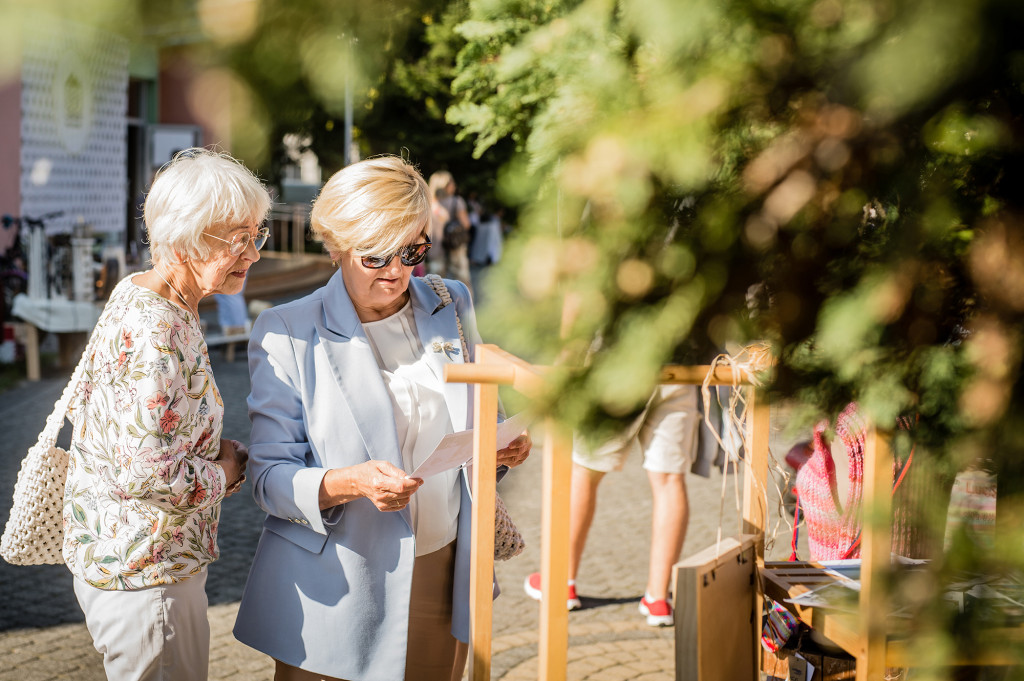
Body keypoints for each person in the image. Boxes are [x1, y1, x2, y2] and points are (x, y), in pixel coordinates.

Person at [232, 156, 532, 681]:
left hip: (443, 566)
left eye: (412, 250)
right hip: (335, 584)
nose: (397, 271)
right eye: (376, 256)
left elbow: (476, 418)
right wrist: (351, 482)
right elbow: (268, 478)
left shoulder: (449, 301)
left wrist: (498, 451)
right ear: (337, 247)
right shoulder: (287, 330)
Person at [63, 147, 268, 680]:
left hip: (130, 559)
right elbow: (150, 475)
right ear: (182, 242)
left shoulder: (144, 293)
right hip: (147, 575)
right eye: (238, 238)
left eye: (256, 234)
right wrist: (227, 470)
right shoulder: (157, 331)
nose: (255, 253)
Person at [524, 384, 700, 627]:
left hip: (623, 365)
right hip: (679, 367)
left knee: (586, 470)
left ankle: (560, 582)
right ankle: (659, 598)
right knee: (670, 480)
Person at [427, 170, 473, 293]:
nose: (454, 185)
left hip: (434, 247)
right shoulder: (456, 201)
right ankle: (465, 310)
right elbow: (466, 224)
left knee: (435, 284)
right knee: (462, 281)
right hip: (454, 246)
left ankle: (439, 309)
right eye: (451, 182)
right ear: (445, 184)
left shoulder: (427, 203)